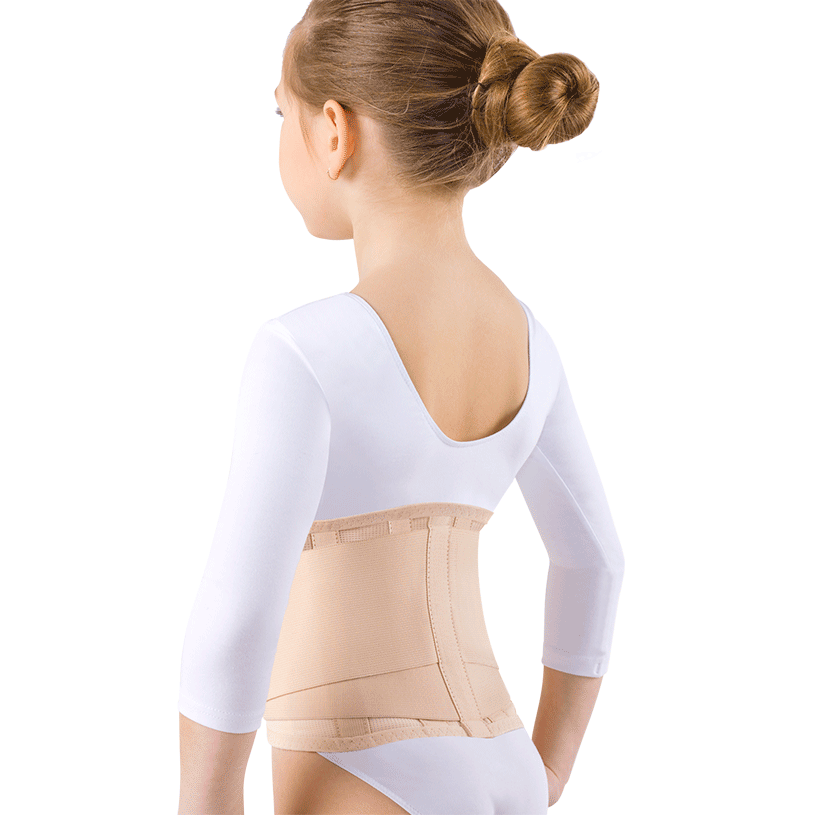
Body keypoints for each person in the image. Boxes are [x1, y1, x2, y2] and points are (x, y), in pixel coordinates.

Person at [178, 2, 625, 813]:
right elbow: (595, 560)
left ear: (334, 131)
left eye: (281, 112)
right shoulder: (527, 340)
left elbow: (237, 616)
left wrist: (203, 802)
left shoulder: (305, 350)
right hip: (504, 763)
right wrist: (546, 771)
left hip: (362, 775)